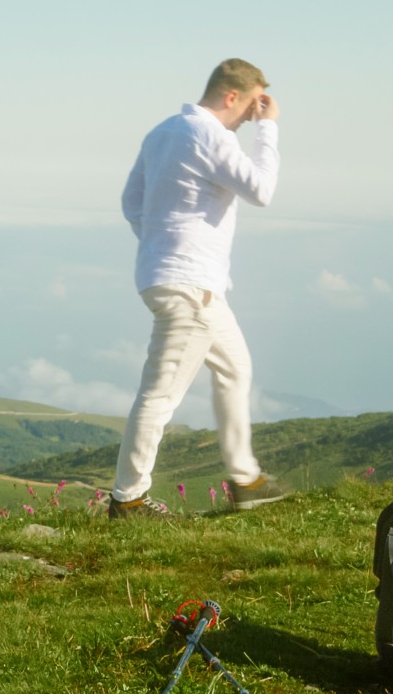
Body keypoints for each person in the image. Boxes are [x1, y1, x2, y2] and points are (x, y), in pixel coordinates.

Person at [110, 59, 286, 518]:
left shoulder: (163, 132)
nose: (254, 113)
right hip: (191, 285)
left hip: (172, 278)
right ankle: (127, 499)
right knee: (160, 395)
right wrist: (269, 130)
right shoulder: (210, 135)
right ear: (232, 96)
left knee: (235, 368)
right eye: (252, 103)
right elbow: (261, 189)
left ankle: (246, 478)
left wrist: (160, 245)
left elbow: (132, 202)